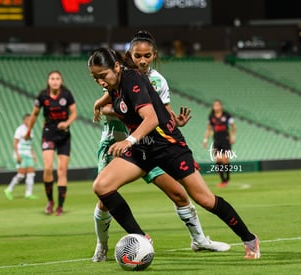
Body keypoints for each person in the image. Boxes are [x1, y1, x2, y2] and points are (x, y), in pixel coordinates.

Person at [88, 47, 260, 259]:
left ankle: (249, 239)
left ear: (116, 67)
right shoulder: (114, 84)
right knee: (102, 186)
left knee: (204, 199)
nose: (101, 82)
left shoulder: (131, 79)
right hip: (143, 148)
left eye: (103, 76)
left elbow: (151, 119)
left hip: (168, 146)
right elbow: (112, 98)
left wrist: (128, 141)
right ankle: (141, 239)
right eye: (95, 78)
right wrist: (98, 103)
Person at [25, 71, 77, 216]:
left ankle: (60, 206)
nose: (55, 81)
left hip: (64, 136)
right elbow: (34, 114)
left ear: (61, 81)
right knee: (47, 168)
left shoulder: (67, 94)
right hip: (48, 134)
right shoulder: (42, 95)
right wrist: (29, 130)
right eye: (52, 78)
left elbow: (74, 113)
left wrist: (67, 123)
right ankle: (50, 201)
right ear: (48, 81)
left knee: (62, 171)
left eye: (58, 78)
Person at [202, 99, 236, 188]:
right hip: (217, 141)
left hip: (226, 140)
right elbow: (209, 129)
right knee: (218, 160)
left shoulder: (227, 115)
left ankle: (227, 178)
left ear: (221, 106)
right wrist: (205, 140)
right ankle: (223, 180)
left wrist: (233, 136)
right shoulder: (211, 117)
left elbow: (233, 127)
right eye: (214, 105)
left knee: (225, 160)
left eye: (217, 105)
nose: (216, 107)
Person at [4, 114, 37, 200]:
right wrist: (17, 155)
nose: (29, 121)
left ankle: (28, 193)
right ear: (24, 120)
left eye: (30, 120)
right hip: (21, 153)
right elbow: (15, 142)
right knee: (21, 175)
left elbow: (30, 144)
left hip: (28, 154)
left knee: (31, 174)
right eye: (27, 119)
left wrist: (33, 154)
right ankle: (8, 190)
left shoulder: (31, 130)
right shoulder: (20, 129)